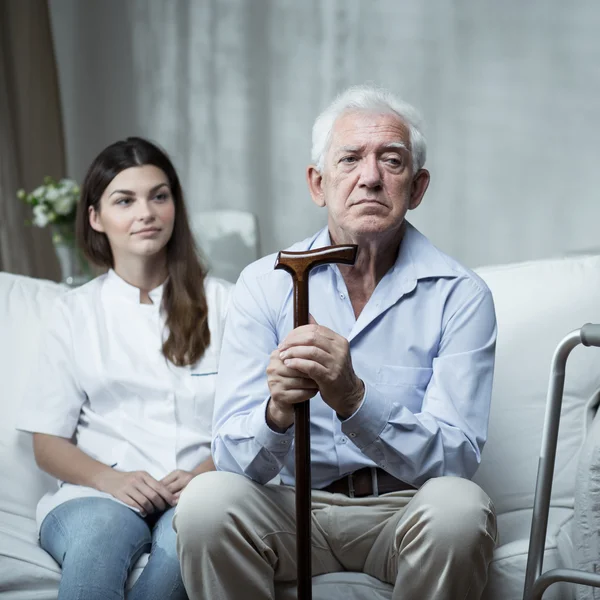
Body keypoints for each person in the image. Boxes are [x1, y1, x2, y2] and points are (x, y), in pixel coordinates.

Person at [173, 85, 498, 600]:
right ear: (318, 183)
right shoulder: (266, 283)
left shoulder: (461, 296)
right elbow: (233, 460)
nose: (370, 177)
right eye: (350, 159)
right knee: (205, 501)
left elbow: (456, 459)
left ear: (417, 188)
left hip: (402, 512)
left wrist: (355, 401)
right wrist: (276, 412)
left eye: (391, 161)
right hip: (291, 507)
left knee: (460, 510)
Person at [16, 137, 231, 600]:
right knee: (98, 543)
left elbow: (255, 420)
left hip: (197, 493)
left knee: (183, 548)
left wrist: (203, 475)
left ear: (176, 206)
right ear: (96, 218)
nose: (146, 212)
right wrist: (111, 479)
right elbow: (47, 442)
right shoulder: (74, 313)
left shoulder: (226, 303)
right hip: (96, 495)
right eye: (124, 200)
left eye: (159, 196)